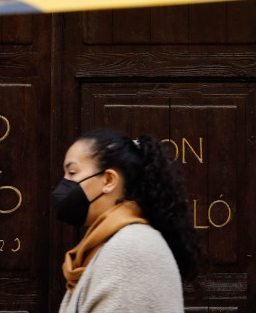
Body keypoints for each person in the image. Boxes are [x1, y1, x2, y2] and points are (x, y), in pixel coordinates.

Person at [52, 128, 202, 313]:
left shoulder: (131, 247)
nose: (63, 184)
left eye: (73, 173)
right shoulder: (115, 242)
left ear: (108, 180)